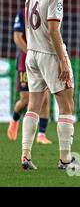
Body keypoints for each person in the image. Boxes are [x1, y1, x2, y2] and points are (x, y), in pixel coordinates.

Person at [21, 0, 80, 170]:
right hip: (49, 54)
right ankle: (66, 159)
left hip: (32, 53)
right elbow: (53, 30)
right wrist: (62, 61)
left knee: (34, 105)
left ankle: (25, 155)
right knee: (66, 105)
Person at [8, 9, 52, 144]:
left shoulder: (49, 12)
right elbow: (17, 37)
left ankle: (41, 135)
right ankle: (15, 120)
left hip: (44, 60)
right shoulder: (23, 13)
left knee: (45, 98)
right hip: (26, 62)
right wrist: (31, 52)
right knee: (26, 100)